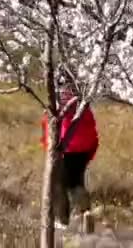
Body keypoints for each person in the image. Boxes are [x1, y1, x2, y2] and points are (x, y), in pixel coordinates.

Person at [40, 87, 99, 230]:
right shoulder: (84, 106)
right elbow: (93, 134)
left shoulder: (58, 107)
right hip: (83, 151)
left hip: (65, 151)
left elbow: (48, 130)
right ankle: (84, 216)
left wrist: (48, 148)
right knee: (76, 183)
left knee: (59, 185)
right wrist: (90, 154)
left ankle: (62, 221)